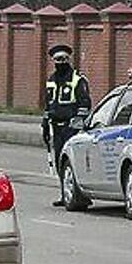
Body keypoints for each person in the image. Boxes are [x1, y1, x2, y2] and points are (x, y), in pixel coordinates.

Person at [42, 44, 91, 206]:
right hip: (56, 127)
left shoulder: (78, 80)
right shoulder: (51, 80)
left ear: (68, 60)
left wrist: (75, 126)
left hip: (71, 128)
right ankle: (65, 194)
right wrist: (45, 124)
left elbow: (84, 105)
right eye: (57, 60)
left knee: (73, 161)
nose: (60, 63)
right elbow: (48, 105)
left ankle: (80, 195)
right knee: (59, 162)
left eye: (63, 59)